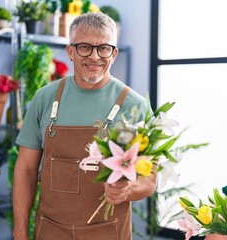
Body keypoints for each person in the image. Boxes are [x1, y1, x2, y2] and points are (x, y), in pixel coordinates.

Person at [12, 12, 157, 240]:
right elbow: (26, 170)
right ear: (70, 51)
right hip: (50, 231)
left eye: (104, 48)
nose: (95, 57)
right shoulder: (44, 99)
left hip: (109, 233)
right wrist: (19, 231)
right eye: (84, 47)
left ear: (114, 53)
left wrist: (128, 190)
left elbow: (149, 180)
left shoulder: (135, 107)